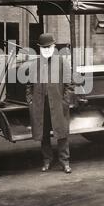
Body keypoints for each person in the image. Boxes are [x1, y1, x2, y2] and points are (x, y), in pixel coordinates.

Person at [26, 33, 74, 174]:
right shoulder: (34, 64)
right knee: (44, 134)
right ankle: (47, 161)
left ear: (53, 47)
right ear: (39, 49)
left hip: (58, 105)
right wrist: (30, 101)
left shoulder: (61, 62)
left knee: (62, 133)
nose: (46, 49)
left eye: (49, 47)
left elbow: (69, 85)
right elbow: (29, 86)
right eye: (43, 47)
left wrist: (65, 103)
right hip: (41, 105)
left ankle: (65, 162)